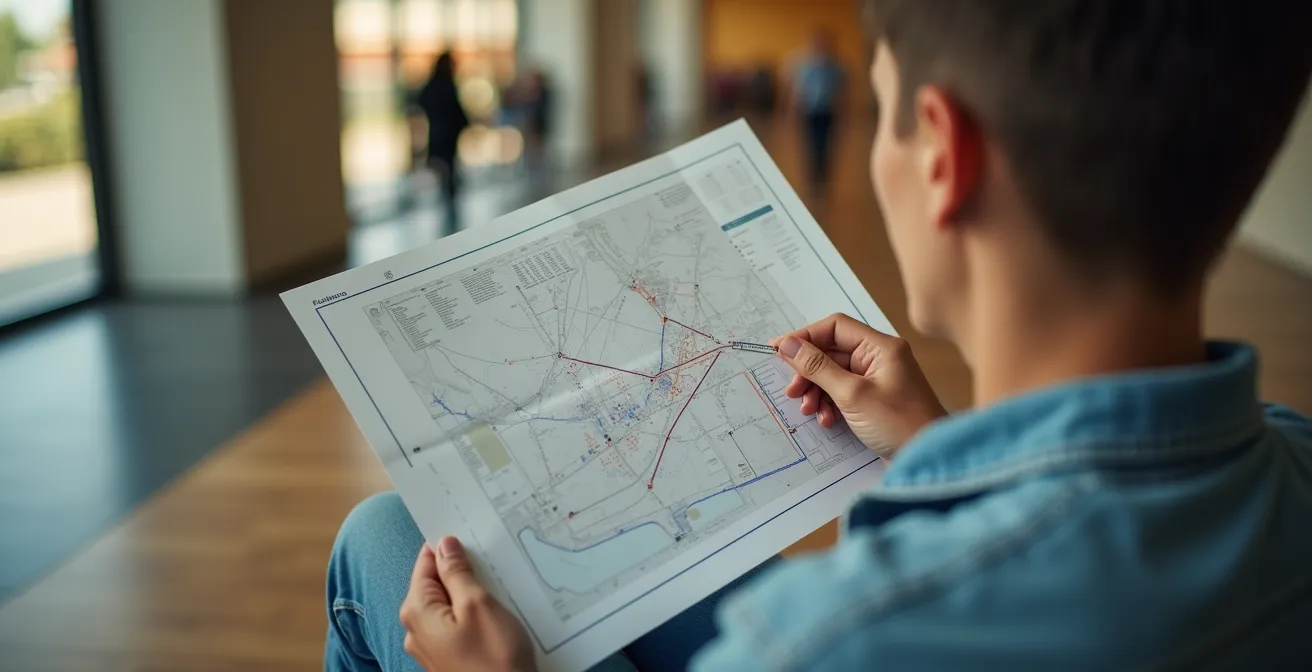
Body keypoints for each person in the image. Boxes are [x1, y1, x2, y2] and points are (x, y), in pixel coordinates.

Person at [325, 1, 1312, 670]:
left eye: (883, 112)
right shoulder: (1296, 458)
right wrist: (930, 444)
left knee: (375, 542)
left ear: (943, 158)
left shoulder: (819, 642)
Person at [417, 52, 469, 229]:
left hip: (437, 135)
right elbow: (457, 112)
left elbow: (420, 103)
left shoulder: (431, 85)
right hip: (447, 136)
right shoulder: (447, 85)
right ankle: (449, 205)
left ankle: (446, 204)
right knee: (449, 171)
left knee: (443, 171)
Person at [789, 31, 846, 192]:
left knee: (826, 146)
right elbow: (797, 91)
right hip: (809, 113)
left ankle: (823, 178)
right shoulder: (804, 66)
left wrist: (844, 114)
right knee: (810, 146)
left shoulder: (836, 68)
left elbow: (841, 92)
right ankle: (812, 178)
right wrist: (792, 113)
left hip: (828, 113)